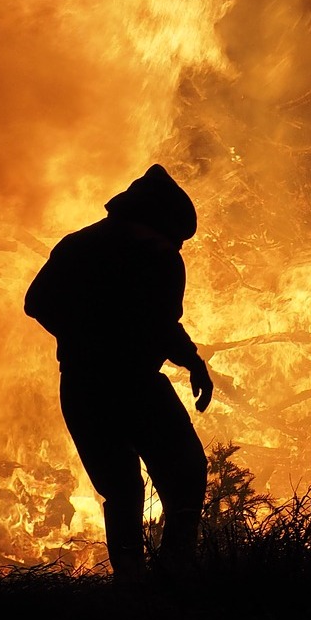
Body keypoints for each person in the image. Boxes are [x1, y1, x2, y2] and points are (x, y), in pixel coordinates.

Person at [24, 164, 213, 581]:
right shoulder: (79, 250)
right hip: (88, 386)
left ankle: (175, 573)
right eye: (171, 237)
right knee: (123, 488)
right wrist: (93, 337)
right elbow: (37, 302)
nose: (175, 248)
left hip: (142, 384)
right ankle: (131, 581)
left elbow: (164, 323)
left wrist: (192, 361)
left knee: (186, 470)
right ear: (141, 223)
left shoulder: (164, 261)